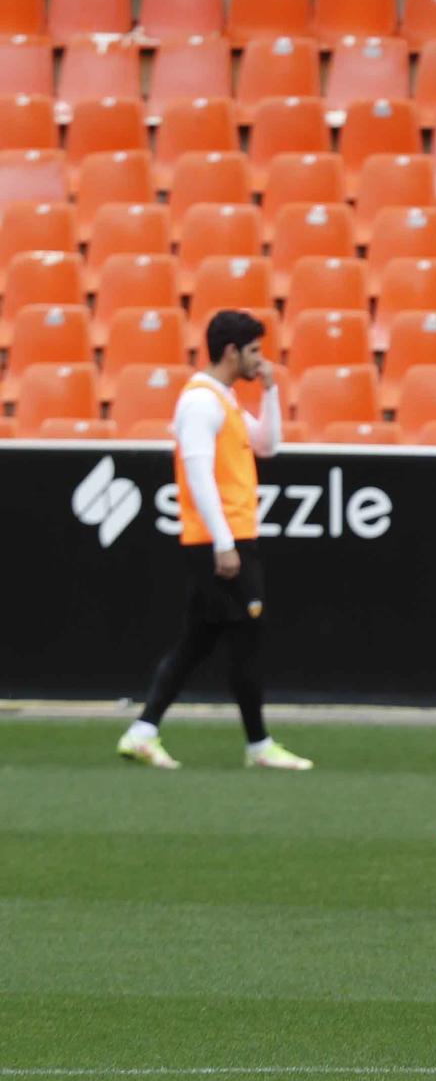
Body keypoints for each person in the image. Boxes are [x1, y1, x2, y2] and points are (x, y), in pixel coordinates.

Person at [115, 311, 312, 773]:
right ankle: (258, 745)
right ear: (232, 351)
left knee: (198, 641)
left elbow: (268, 445)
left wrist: (269, 391)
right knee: (245, 638)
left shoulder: (220, 398)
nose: (260, 360)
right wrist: (225, 543)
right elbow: (199, 476)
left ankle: (143, 731)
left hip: (228, 538)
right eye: (255, 351)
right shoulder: (201, 403)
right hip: (221, 542)